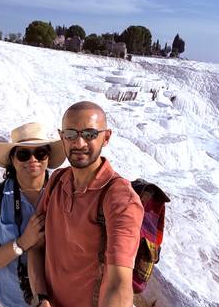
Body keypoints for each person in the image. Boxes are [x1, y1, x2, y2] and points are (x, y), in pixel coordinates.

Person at [29, 101, 144, 307]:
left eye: (90, 134)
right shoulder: (57, 180)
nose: (79, 143)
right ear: (62, 136)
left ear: (106, 137)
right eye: (71, 134)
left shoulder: (120, 198)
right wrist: (41, 298)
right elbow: (36, 246)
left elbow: (119, 282)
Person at [0, 122, 66, 307]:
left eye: (40, 153)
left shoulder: (63, 196)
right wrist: (22, 243)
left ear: (48, 157)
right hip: (7, 301)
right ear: (12, 160)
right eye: (23, 154)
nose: (33, 160)